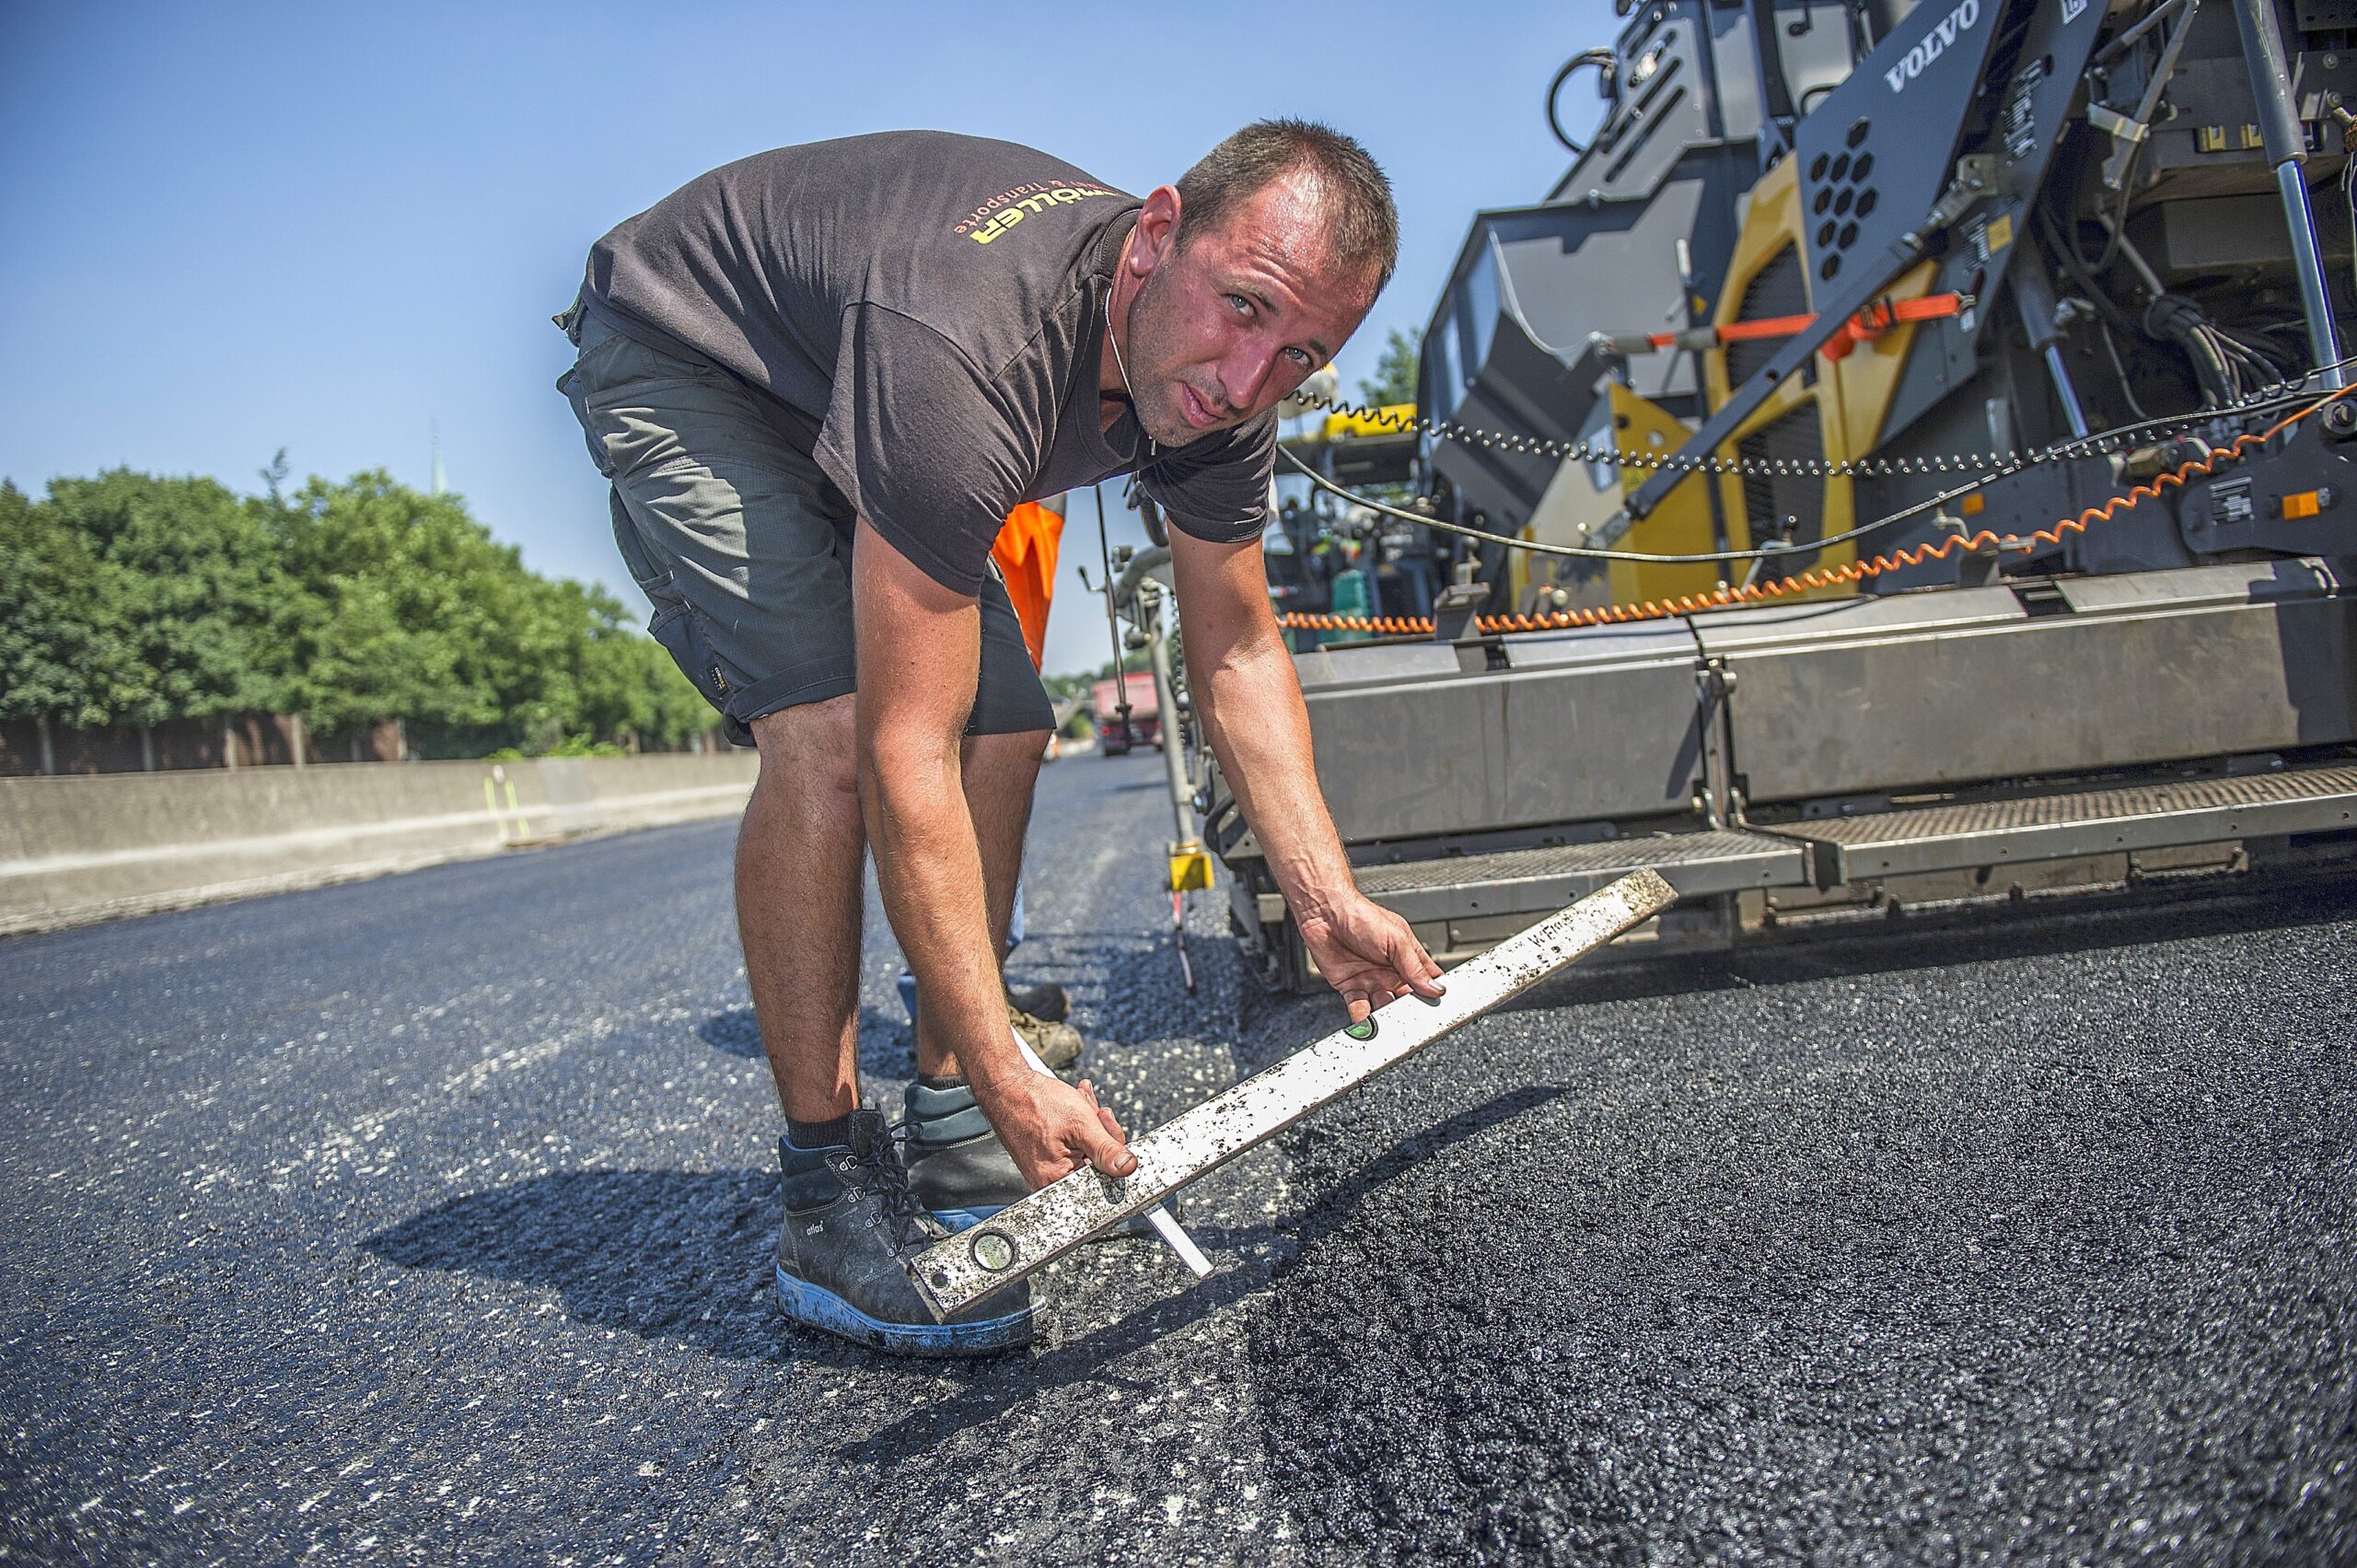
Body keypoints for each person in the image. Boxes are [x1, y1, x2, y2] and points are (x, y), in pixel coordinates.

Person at [557, 122, 1444, 1356]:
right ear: (1153, 236)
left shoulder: (1226, 391)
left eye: (1301, 352)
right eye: (1241, 309)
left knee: (1013, 727)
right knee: (834, 727)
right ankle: (825, 1189)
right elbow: (901, 751)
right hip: (697, 355)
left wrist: (1323, 893)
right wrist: (1004, 1049)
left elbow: (1235, 649)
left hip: (856, 369)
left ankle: (959, 1115)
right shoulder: (973, 344)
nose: (1248, 380)